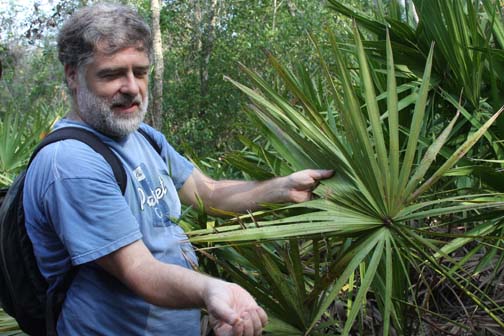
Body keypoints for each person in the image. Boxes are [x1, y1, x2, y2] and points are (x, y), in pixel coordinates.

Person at [23, 3, 333, 336]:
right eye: (112, 74)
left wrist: (282, 188)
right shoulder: (70, 164)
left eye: (140, 72)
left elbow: (205, 192)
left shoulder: (142, 136)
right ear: (73, 74)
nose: (132, 87)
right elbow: (140, 271)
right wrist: (211, 290)